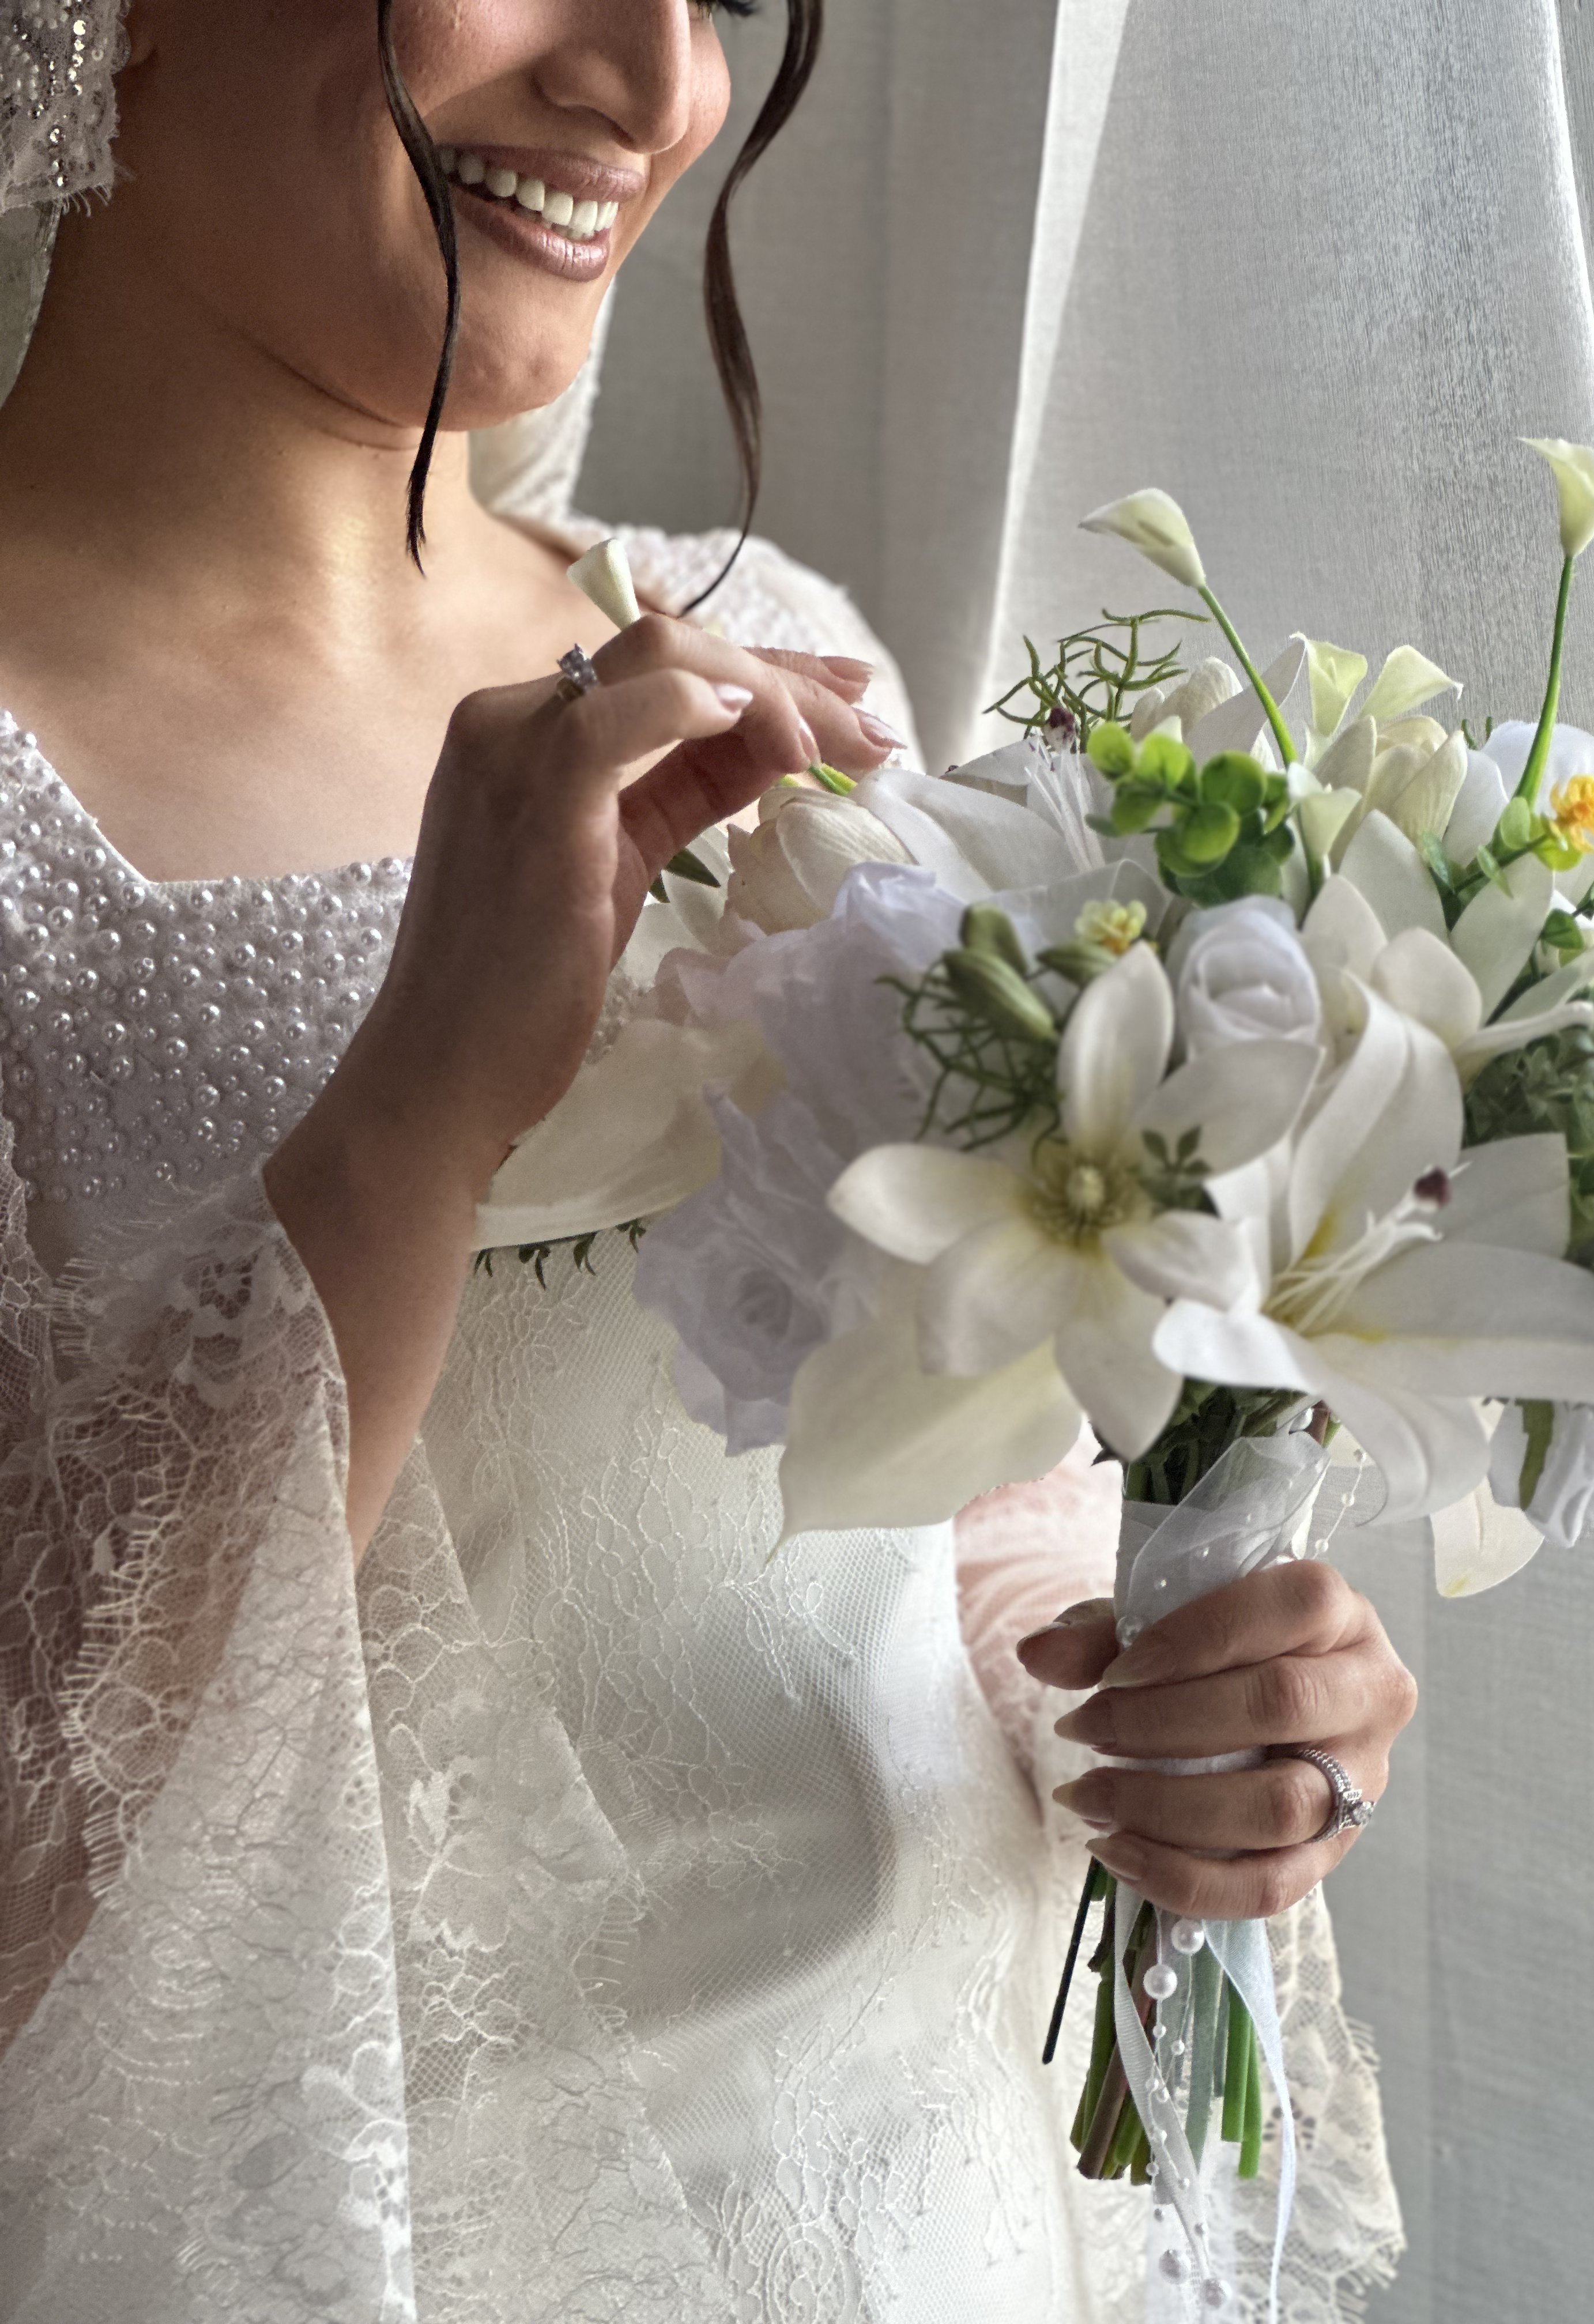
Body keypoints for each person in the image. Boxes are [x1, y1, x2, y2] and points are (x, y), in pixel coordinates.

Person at [0, 3, 1414, 2316]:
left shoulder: (780, 662)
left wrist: (1192, 1726)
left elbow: (955, 1546)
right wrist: (420, 1108)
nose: (653, 86)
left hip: (943, 2219)